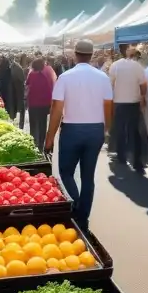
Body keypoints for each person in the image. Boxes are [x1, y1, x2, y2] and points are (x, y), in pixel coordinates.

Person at [45, 39, 113, 228]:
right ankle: (83, 216)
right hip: (95, 130)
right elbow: (108, 105)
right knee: (88, 177)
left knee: (65, 172)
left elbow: (57, 109)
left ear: (75, 55)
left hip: (72, 130)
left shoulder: (65, 77)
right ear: (91, 55)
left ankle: (75, 205)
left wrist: (49, 139)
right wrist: (106, 129)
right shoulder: (102, 77)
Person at [109, 46, 147, 172]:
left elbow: (111, 84)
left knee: (120, 129)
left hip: (119, 102)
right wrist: (142, 97)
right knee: (134, 131)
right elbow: (143, 85)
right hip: (133, 102)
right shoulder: (137, 66)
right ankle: (137, 160)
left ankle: (121, 156)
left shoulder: (115, 66)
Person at [25, 57, 54, 152]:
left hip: (33, 103)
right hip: (44, 104)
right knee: (42, 124)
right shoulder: (46, 75)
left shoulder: (32, 74)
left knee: (33, 124)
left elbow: (27, 86)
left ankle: (34, 142)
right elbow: (49, 89)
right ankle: (41, 144)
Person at [9, 57, 26, 129]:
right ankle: (17, 124)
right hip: (16, 90)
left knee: (19, 108)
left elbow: (22, 79)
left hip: (17, 90)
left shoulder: (17, 68)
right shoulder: (17, 67)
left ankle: (19, 125)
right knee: (17, 108)